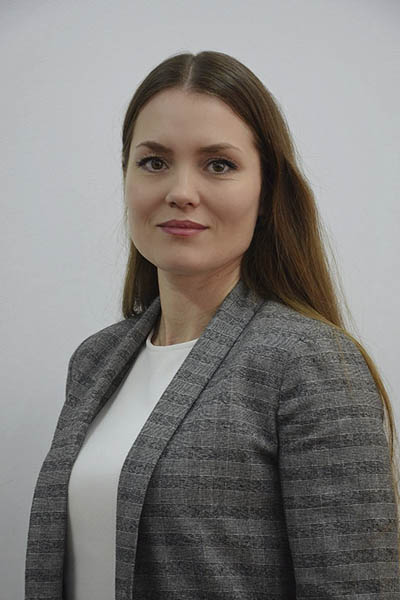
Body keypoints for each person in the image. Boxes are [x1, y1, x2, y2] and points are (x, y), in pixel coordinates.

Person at [25, 50, 400, 599]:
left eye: (218, 164)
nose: (180, 191)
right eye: (154, 162)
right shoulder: (94, 360)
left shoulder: (310, 362)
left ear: (266, 192)